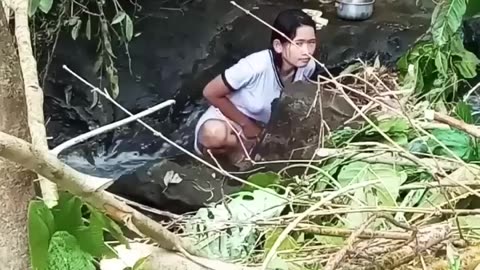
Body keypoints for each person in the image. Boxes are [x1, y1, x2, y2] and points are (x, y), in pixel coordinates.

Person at [194, 9, 323, 166]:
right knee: (214, 134)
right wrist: (246, 125)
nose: (307, 51)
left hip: (262, 129)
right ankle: (224, 160)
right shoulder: (255, 67)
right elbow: (210, 92)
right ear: (278, 46)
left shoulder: (308, 66)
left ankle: (243, 158)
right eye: (299, 43)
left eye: (311, 43)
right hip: (229, 120)